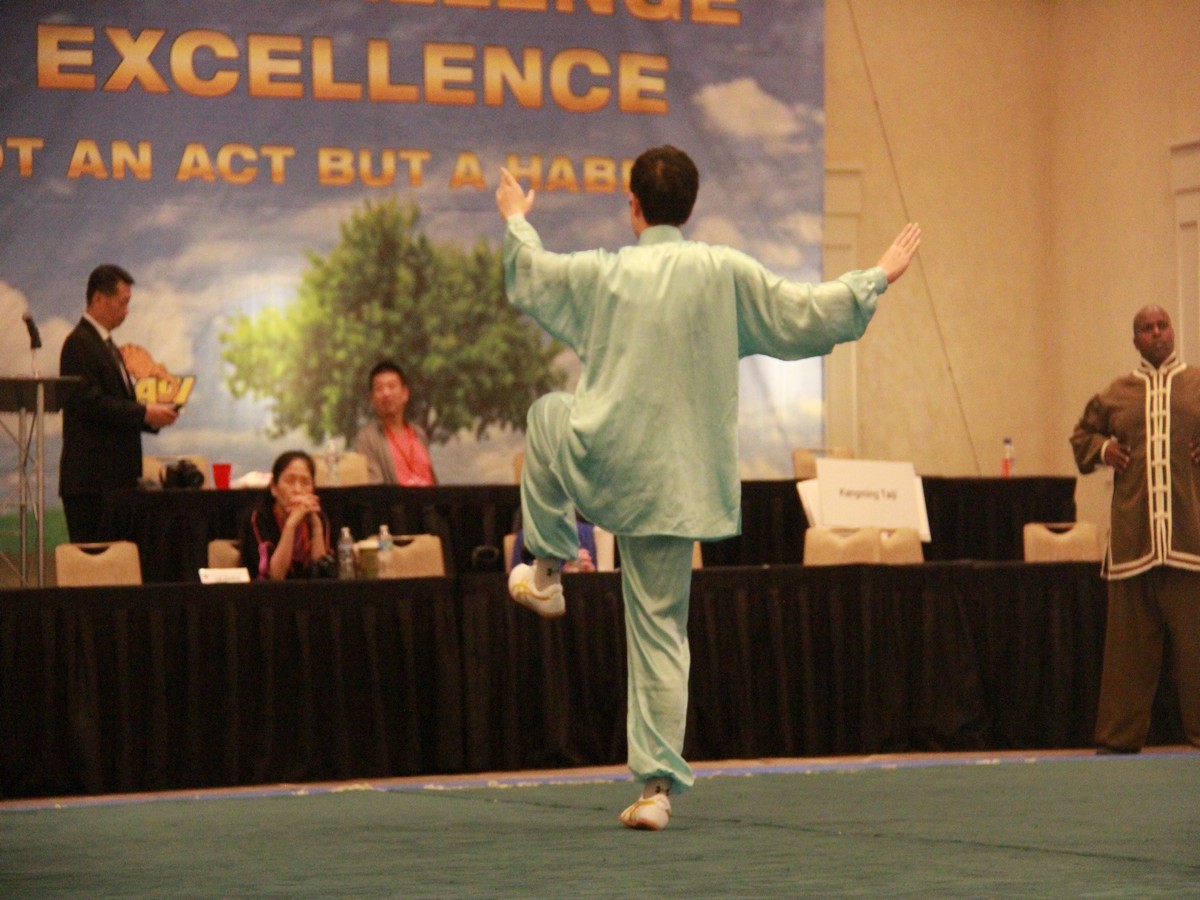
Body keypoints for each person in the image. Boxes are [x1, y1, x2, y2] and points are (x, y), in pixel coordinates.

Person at [495, 145, 920, 831]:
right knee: (661, 628)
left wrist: (517, 217)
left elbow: (532, 275)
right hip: (679, 479)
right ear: (688, 209)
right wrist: (875, 277)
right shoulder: (724, 272)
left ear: (633, 206)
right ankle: (656, 790)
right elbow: (806, 312)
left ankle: (545, 567)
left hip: (607, 458)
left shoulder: (606, 272)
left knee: (546, 415)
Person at [1070, 305, 1200, 754]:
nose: (1157, 333)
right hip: (1133, 541)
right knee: (1127, 655)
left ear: (1173, 331)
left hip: (1190, 541)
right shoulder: (1117, 393)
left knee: (1197, 649)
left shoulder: (1196, 385)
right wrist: (1103, 448)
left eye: (1162, 325)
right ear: (1135, 340)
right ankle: (1117, 742)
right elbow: (1081, 437)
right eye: (1147, 328)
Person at [58, 264, 179, 542]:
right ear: (98, 299)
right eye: (122, 303)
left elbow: (118, 403)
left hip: (116, 482)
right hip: (91, 483)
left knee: (123, 561)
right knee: (97, 560)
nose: (127, 311)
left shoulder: (109, 346)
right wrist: (144, 413)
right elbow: (90, 403)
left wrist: (153, 416)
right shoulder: (78, 343)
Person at [240, 450, 336, 580]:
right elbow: (275, 577)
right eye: (290, 481)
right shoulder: (257, 519)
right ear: (274, 488)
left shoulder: (320, 518)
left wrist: (317, 527)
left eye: (305, 482)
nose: (297, 490)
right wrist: (291, 525)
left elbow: (322, 576)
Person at [353, 361, 437, 486]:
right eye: (379, 388)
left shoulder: (419, 434)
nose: (386, 393)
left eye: (391, 386)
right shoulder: (366, 439)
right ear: (372, 399)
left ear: (405, 394)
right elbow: (374, 490)